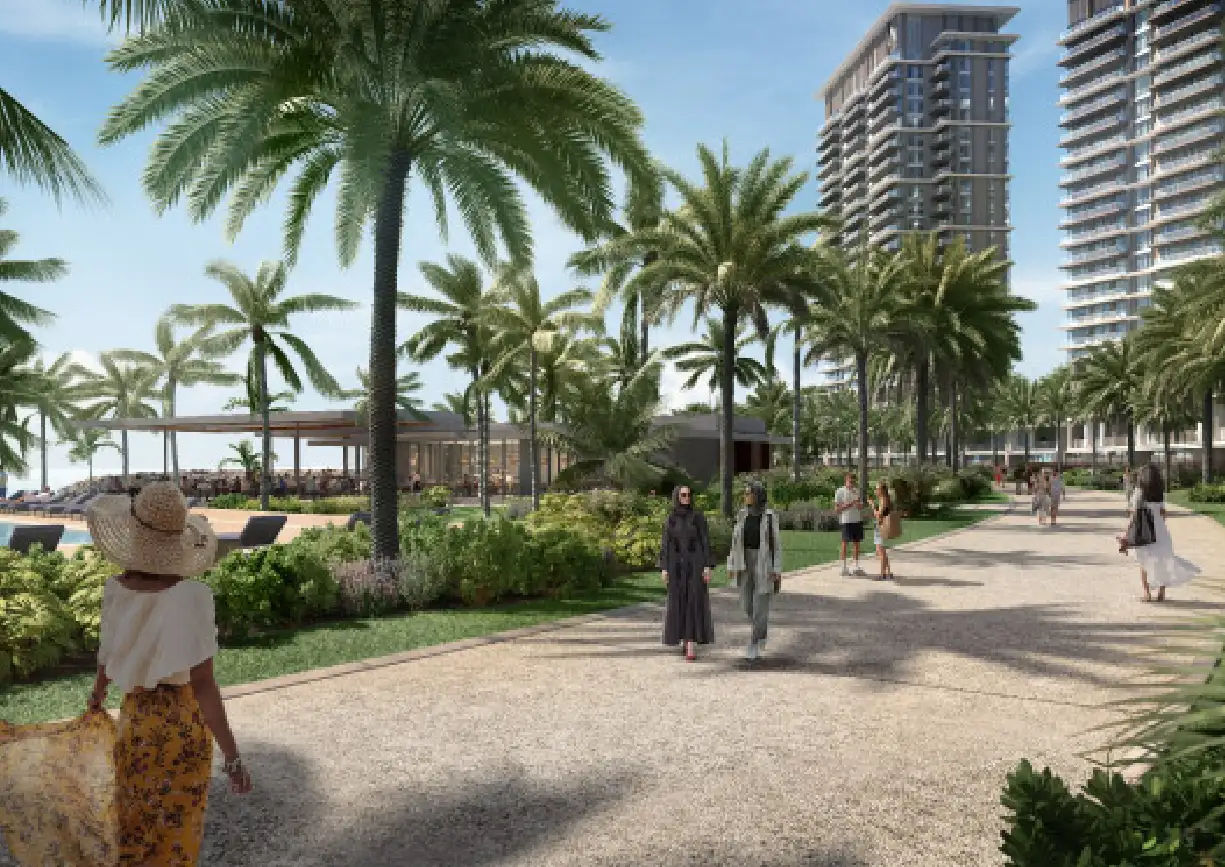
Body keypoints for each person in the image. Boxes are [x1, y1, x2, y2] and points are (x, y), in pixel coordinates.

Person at [86, 482, 253, 861]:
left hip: (135, 725)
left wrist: (97, 696)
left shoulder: (115, 590)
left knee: (133, 834)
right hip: (181, 728)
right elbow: (204, 684)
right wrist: (233, 757)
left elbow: (106, 657)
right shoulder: (191, 597)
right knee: (175, 839)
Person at [1120, 464, 1199, 603]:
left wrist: (1126, 534)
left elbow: (1134, 516)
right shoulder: (1159, 493)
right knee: (1163, 561)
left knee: (1144, 562)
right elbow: (1163, 514)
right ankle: (1161, 593)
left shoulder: (1139, 492)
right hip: (1161, 531)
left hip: (1145, 532)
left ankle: (1147, 593)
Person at [727, 481, 783, 661]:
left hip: (763, 561)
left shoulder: (769, 516)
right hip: (744, 562)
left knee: (760, 605)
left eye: (748, 493)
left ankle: (754, 642)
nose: (745, 496)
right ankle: (761, 631)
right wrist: (731, 565)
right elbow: (735, 543)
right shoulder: (742, 514)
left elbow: (777, 545)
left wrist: (776, 569)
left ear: (757, 495)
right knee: (746, 605)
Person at [659, 485, 714, 661]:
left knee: (693, 601)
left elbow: (705, 541)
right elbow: (666, 544)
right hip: (676, 566)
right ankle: (684, 637)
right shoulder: (671, 519)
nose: (687, 497)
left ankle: (690, 642)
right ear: (677, 496)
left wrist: (707, 566)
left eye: (689, 494)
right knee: (678, 602)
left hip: (695, 564)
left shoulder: (697, 517)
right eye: (683, 495)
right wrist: (665, 568)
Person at [835, 472, 865, 576]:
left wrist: (859, 505)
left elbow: (860, 506)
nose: (851, 482)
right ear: (845, 480)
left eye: (853, 481)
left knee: (856, 543)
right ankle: (843, 567)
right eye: (849, 480)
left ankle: (856, 566)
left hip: (857, 520)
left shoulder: (856, 491)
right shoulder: (840, 491)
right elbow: (837, 509)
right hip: (846, 521)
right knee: (844, 543)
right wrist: (849, 505)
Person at [868, 481, 897, 581]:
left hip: (881, 527)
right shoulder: (885, 499)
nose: (875, 491)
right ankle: (888, 572)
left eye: (877, 489)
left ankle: (882, 574)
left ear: (882, 490)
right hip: (881, 526)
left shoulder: (883, 500)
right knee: (882, 551)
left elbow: (878, 515)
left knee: (880, 551)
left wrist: (872, 505)